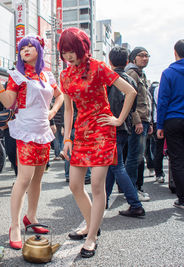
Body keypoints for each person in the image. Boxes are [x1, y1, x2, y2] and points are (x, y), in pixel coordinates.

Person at [58, 28, 136, 258]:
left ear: (82, 48)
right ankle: (92, 224)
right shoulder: (65, 75)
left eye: (72, 50)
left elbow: (130, 91)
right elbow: (69, 109)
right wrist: (67, 138)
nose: (69, 56)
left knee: (97, 185)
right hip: (81, 131)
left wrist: (118, 119)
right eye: (64, 51)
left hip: (103, 129)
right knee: (74, 184)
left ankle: (91, 236)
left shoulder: (99, 67)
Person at [0, 35, 64, 250]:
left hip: (43, 131)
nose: (25, 50)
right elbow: (9, 102)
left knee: (37, 178)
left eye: (30, 46)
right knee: (23, 179)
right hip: (26, 130)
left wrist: (53, 111)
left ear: (38, 49)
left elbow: (60, 95)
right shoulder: (17, 75)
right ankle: (15, 225)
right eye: (22, 47)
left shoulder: (47, 74)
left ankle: (32, 217)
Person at [105, 47, 145, 217]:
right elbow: (133, 107)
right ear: (127, 60)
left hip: (110, 125)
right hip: (124, 127)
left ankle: (135, 204)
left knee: (117, 165)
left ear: (110, 61)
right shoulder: (131, 80)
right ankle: (103, 200)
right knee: (111, 165)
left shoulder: (108, 79)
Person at [156, 39, 184, 209]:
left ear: (175, 53)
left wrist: (160, 125)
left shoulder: (168, 73)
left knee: (177, 159)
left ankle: (182, 198)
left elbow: (163, 101)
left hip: (173, 119)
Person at [125, 47, 153, 201]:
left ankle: (132, 188)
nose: (145, 58)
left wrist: (149, 122)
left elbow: (145, 101)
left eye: (147, 55)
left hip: (144, 120)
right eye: (141, 55)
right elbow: (130, 100)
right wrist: (137, 121)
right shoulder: (132, 73)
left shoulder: (140, 73)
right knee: (135, 157)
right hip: (137, 121)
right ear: (133, 58)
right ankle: (132, 190)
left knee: (137, 156)